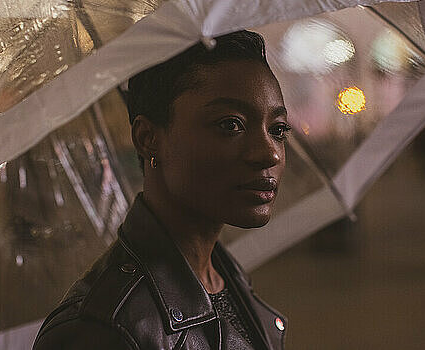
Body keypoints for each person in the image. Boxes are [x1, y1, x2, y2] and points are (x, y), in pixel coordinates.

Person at [33, 30, 289, 349]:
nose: (270, 154)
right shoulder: (103, 330)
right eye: (230, 125)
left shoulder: (224, 278)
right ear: (148, 138)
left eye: (278, 130)